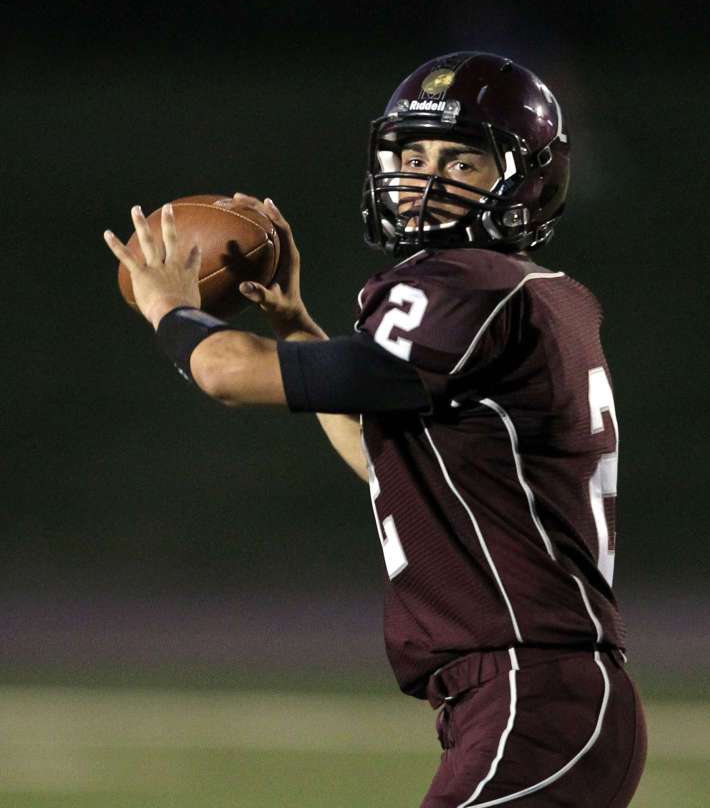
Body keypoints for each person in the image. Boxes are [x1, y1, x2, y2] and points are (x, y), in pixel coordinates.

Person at [104, 51, 647, 807]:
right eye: (413, 156)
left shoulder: (469, 284)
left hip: (534, 696)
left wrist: (167, 305)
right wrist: (298, 327)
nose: (425, 179)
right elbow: (388, 459)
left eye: (462, 160)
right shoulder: (529, 295)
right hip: (531, 698)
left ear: (526, 181)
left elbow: (225, 372)